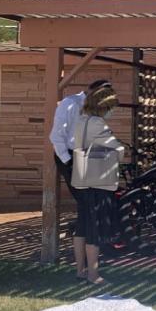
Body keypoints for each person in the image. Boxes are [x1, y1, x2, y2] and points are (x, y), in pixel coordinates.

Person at [71, 83, 124, 285]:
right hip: (98, 182)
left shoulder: (81, 121)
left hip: (82, 180)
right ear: (104, 106)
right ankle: (94, 274)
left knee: (82, 226)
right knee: (94, 228)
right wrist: (120, 150)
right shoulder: (98, 124)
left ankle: (80, 270)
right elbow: (115, 147)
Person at [49, 79, 113, 234]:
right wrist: (68, 161)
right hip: (70, 156)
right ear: (91, 90)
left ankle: (89, 238)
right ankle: (83, 238)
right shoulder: (69, 104)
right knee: (86, 201)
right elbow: (56, 136)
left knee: (96, 200)